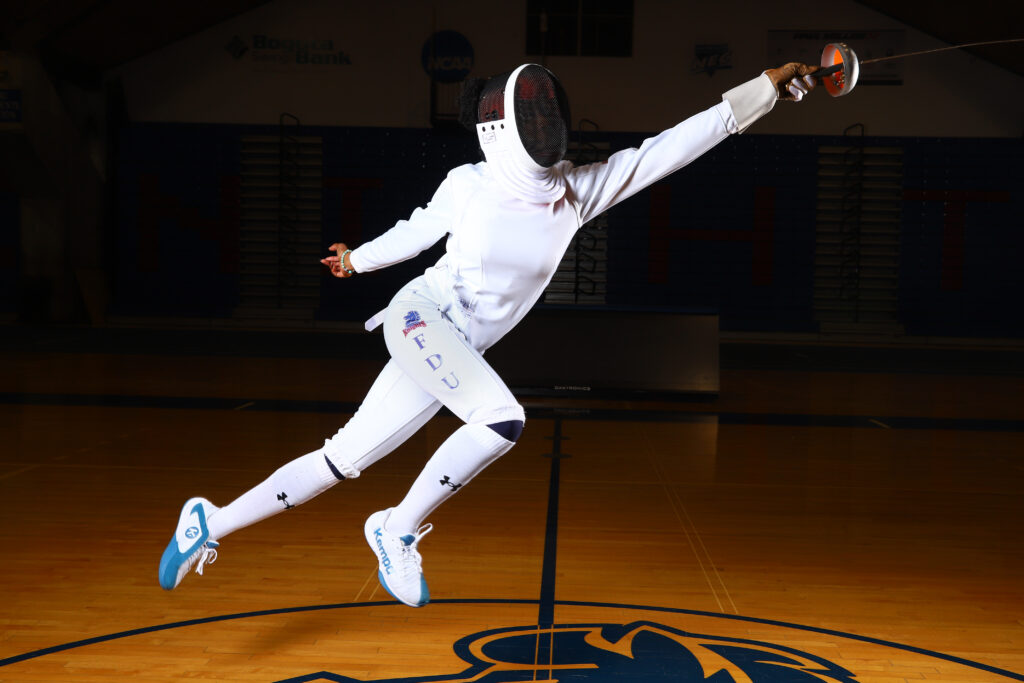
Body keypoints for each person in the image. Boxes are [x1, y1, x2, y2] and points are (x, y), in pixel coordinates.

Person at [159, 61, 820, 606]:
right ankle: (394, 527)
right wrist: (357, 258)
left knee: (339, 459)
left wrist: (765, 91)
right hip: (420, 318)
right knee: (502, 418)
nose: (545, 125)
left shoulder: (577, 191)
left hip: (451, 352)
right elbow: (418, 230)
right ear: (503, 129)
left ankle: (208, 521)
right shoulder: (469, 184)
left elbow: (670, 149)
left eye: (547, 114)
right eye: (532, 116)